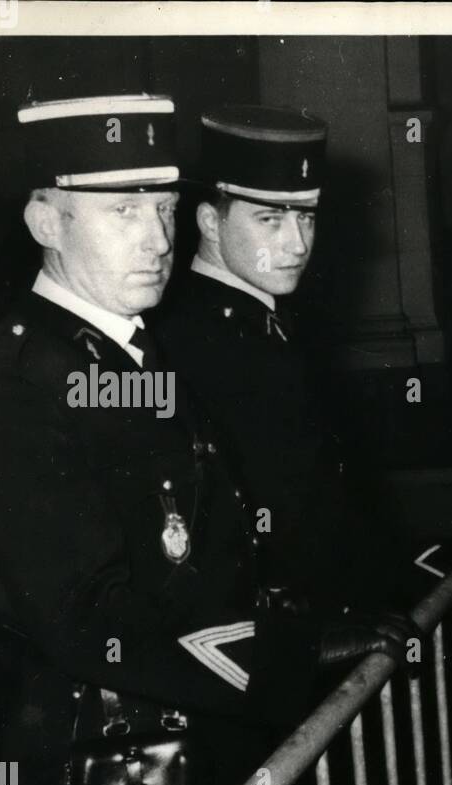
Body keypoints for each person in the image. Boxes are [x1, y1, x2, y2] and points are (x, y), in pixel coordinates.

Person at [0, 93, 416, 785]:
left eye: (163, 207)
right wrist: (295, 654)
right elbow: (94, 623)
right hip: (108, 770)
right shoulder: (17, 385)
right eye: (121, 210)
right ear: (46, 221)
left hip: (180, 748)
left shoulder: (124, 346)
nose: (155, 237)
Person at [154, 104, 408, 619]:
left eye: (307, 218)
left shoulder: (269, 319)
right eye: (270, 219)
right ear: (209, 220)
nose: (296, 244)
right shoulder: (191, 339)